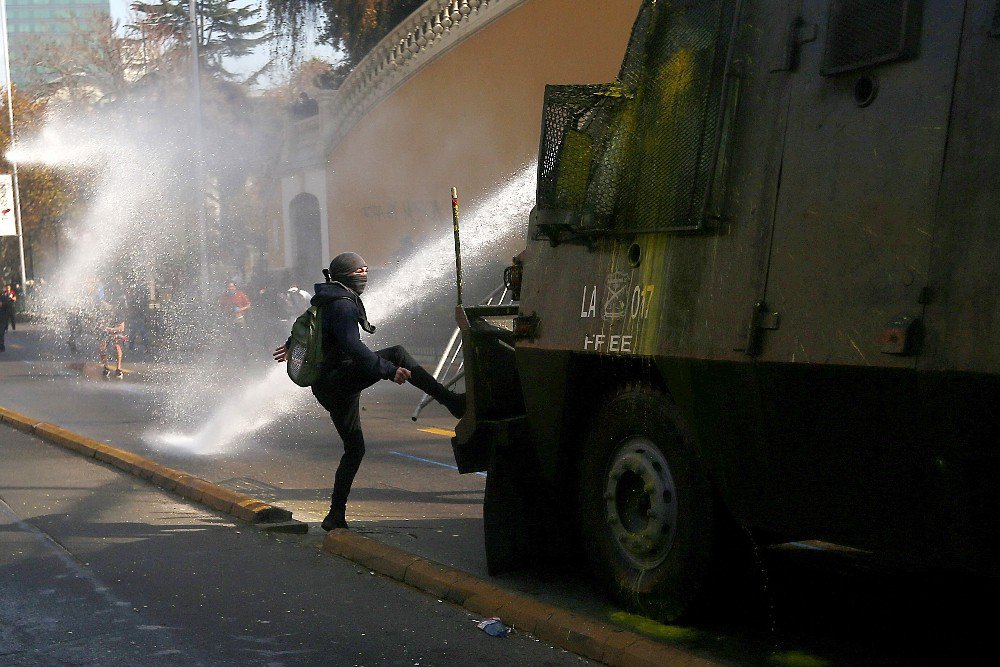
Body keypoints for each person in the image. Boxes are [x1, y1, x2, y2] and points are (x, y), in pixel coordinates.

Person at [273, 252, 466, 531]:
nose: (365, 275)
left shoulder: (325, 298)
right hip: (339, 379)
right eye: (360, 271)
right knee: (397, 354)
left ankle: (335, 515)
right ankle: (451, 402)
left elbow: (309, 326)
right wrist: (388, 370)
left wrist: (291, 342)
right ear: (347, 275)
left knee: (354, 449)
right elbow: (353, 346)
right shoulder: (342, 304)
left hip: (326, 386)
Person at [98, 293, 128, 379]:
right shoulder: (103, 312)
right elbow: (99, 322)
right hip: (106, 331)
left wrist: (111, 330)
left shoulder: (119, 313)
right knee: (102, 348)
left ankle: (118, 369)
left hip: (115, 331)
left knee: (116, 346)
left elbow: (121, 328)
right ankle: (106, 367)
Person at [219, 281, 251, 357]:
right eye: (229, 287)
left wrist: (241, 309)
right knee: (230, 337)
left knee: (243, 335)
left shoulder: (240, 294)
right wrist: (228, 310)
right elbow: (221, 308)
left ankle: (246, 352)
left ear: (235, 287)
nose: (231, 288)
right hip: (229, 319)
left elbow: (248, 305)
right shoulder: (224, 297)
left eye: (232, 286)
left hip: (239, 318)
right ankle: (231, 353)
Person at [0, 284, 16, 352]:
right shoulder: (3, 295)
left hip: (3, 317)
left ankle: (1, 346)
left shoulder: (5, 296)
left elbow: (14, 299)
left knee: (1, 333)